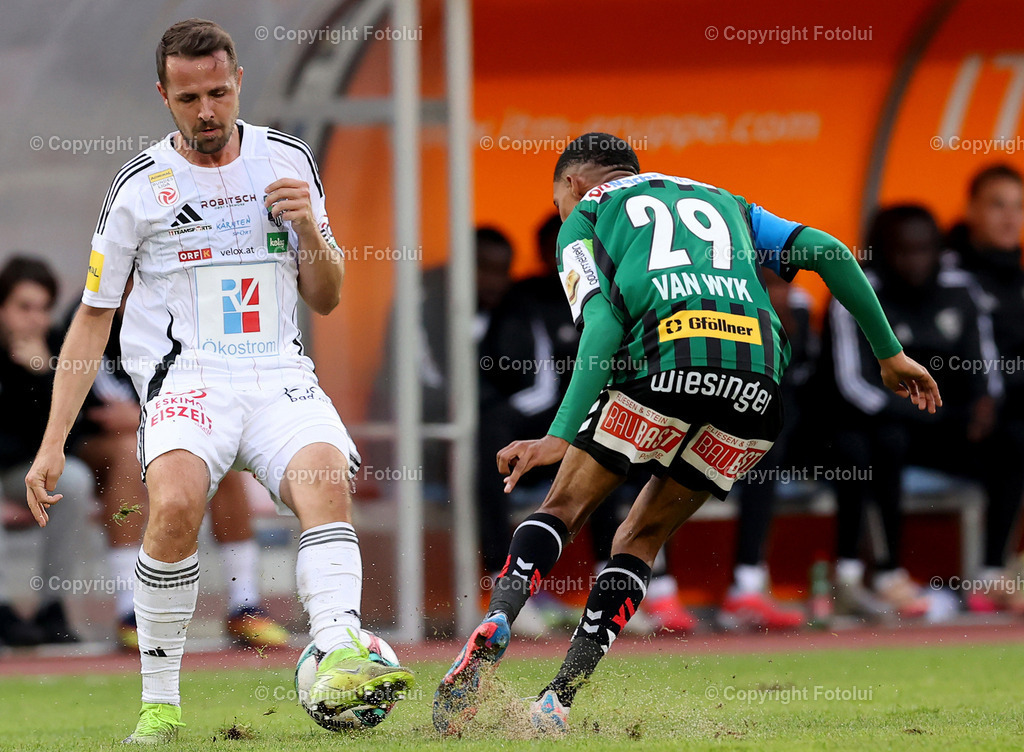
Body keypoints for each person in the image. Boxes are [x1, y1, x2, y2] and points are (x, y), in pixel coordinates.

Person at [432, 132, 941, 734]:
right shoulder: (728, 203)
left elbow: (601, 326)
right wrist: (889, 353)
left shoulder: (586, 216)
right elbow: (829, 251)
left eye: (556, 202)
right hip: (756, 385)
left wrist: (559, 435)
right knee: (641, 537)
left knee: (563, 508)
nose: (561, 214)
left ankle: (499, 618)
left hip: (664, 363)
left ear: (572, 184)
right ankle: (558, 700)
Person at [23, 19, 412, 744]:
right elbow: (93, 317)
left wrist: (311, 232)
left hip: (278, 374)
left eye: (218, 93)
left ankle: (339, 650)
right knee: (173, 506)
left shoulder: (288, 159)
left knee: (326, 479)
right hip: (188, 382)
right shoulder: (139, 187)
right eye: (188, 98)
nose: (206, 111)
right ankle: (160, 707)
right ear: (163, 96)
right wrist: (53, 443)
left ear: (237, 82)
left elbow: (327, 297)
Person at [71, 301, 289, 650]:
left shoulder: (185, 308)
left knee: (220, 453)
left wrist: (155, 413)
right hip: (96, 442)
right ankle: (130, 612)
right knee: (130, 450)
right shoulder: (94, 313)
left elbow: (203, 390)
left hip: (165, 426)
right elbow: (111, 413)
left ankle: (244, 605)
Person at [821, 205, 1000, 618]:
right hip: (880, 425)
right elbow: (853, 387)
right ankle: (880, 575)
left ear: (939, 250)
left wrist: (984, 405)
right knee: (878, 443)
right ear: (882, 252)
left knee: (1012, 439)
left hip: (945, 426)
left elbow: (985, 369)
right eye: (902, 251)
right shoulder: (856, 290)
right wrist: (926, 412)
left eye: (924, 250)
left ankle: (994, 574)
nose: (914, 261)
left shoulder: (961, 289)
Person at [0, 256, 90, 646]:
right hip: (7, 466)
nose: (34, 319)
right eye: (24, 307)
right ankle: (2, 610)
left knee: (76, 481)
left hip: (25, 469)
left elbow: (72, 432)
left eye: (43, 308)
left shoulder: (56, 346)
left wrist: (41, 375)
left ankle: (52, 606)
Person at [946, 165, 1024, 610]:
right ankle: (992, 574)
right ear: (971, 209)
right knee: (1015, 438)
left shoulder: (1018, 277)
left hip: (1008, 416)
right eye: (998, 205)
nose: (1010, 219)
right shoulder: (946, 274)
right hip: (952, 420)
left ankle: (1002, 571)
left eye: (1018, 207)